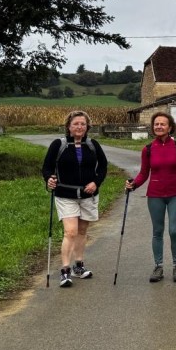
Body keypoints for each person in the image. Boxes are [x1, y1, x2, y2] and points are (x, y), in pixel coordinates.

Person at [125, 112, 176, 283]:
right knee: (157, 232)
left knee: (174, 231)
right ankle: (158, 266)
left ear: (170, 127)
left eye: (163, 124)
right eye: (156, 124)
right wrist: (133, 184)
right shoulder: (148, 149)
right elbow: (143, 173)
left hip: (175, 194)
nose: (159, 126)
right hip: (155, 195)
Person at [42, 110, 108, 288]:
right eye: (76, 124)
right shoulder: (59, 144)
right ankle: (65, 270)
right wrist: (49, 179)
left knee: (82, 231)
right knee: (70, 232)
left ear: (87, 127)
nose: (79, 127)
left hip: (88, 195)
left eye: (83, 124)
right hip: (66, 194)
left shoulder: (92, 145)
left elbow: (103, 166)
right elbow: (47, 167)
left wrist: (96, 182)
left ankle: (78, 265)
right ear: (68, 127)